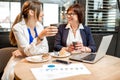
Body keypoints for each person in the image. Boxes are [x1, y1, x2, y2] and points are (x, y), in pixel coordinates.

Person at [1, 0, 58, 80]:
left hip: (39, 61)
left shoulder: (39, 26)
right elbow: (27, 53)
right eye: (41, 10)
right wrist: (39, 38)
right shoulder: (17, 28)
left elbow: (45, 50)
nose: (43, 14)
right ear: (31, 12)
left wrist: (25, 52)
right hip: (22, 62)